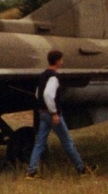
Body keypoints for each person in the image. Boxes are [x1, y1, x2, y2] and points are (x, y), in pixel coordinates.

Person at [27, 49, 90, 178]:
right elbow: (48, 95)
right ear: (57, 61)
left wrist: (42, 107)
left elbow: (38, 93)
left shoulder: (43, 75)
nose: (62, 61)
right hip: (52, 115)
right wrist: (54, 113)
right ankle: (81, 169)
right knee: (67, 142)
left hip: (43, 114)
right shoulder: (54, 77)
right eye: (61, 59)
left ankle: (31, 171)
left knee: (39, 143)